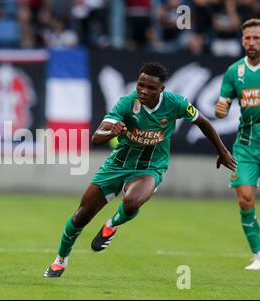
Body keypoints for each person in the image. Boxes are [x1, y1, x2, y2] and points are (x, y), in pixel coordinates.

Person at [44, 62, 237, 278]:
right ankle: (60, 259)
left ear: (162, 89)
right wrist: (111, 132)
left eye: (151, 88)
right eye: (140, 85)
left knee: (132, 201)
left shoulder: (176, 103)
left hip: (151, 166)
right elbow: (96, 137)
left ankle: (112, 224)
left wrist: (222, 151)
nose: (144, 91)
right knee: (81, 216)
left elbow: (203, 123)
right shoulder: (127, 103)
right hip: (118, 164)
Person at [214, 18, 260, 270]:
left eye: (257, 38)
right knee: (245, 199)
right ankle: (259, 255)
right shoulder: (234, 72)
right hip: (246, 144)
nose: (252, 42)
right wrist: (220, 110)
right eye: (248, 38)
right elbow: (222, 107)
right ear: (242, 40)